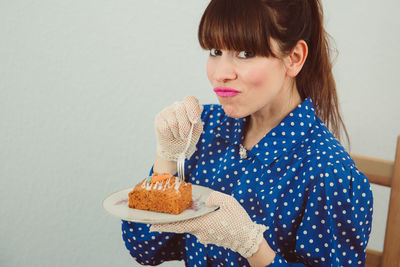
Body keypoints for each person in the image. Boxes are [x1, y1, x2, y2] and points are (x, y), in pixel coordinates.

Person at [122, 0, 373, 266]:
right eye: (215, 50)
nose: (220, 74)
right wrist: (167, 161)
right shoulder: (202, 128)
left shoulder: (327, 172)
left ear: (294, 58)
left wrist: (252, 246)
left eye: (245, 53)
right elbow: (144, 248)